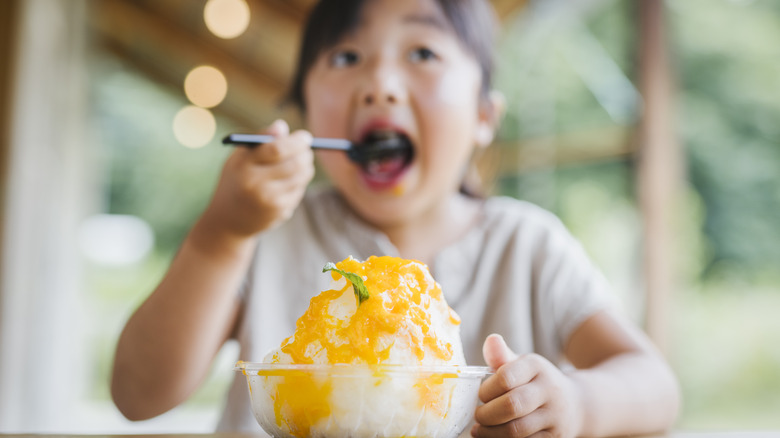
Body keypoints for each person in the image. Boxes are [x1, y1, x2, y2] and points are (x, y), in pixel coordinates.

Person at [111, 0, 680, 436]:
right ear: (304, 113)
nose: (379, 85)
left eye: (423, 53)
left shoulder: (528, 246)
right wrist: (220, 236)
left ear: (484, 114)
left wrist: (577, 404)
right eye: (345, 57)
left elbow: (655, 385)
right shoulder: (265, 234)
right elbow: (139, 394)